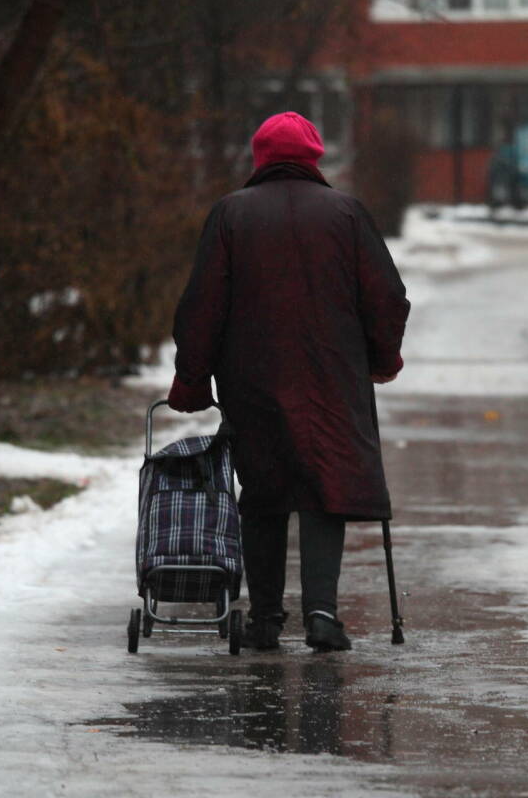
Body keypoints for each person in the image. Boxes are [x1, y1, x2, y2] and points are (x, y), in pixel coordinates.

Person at [167, 111, 410, 653]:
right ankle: (322, 613)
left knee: (265, 491)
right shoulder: (346, 213)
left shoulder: (231, 214)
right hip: (332, 375)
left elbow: (202, 307)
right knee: (327, 488)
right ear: (313, 158)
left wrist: (191, 379)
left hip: (253, 376)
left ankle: (267, 618)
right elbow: (387, 297)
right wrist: (382, 357)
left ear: (259, 158)